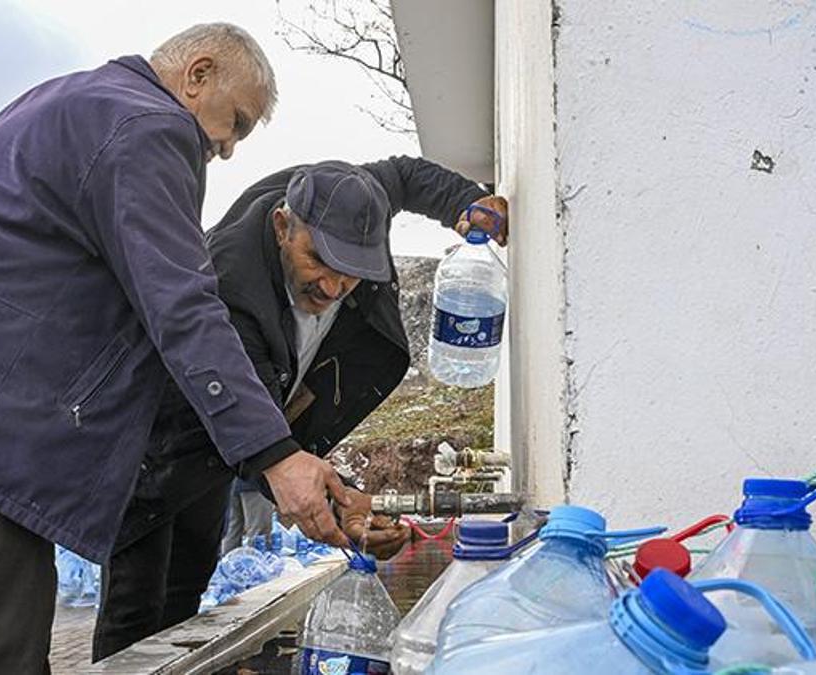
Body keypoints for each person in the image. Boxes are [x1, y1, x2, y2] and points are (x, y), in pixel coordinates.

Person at [0, 24, 352, 674]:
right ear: (198, 73)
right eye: (235, 123)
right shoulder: (147, 128)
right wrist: (275, 454)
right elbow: (182, 308)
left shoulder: (75, 101)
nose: (229, 148)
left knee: (1, 651)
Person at [93, 158, 509, 660]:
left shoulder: (353, 199)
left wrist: (462, 201)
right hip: (159, 438)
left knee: (185, 595)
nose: (333, 288)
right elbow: (261, 431)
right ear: (282, 226)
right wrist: (337, 505)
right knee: (137, 609)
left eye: (351, 274)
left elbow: (402, 177)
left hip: (223, 452)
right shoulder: (229, 289)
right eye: (318, 261)